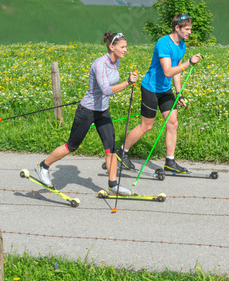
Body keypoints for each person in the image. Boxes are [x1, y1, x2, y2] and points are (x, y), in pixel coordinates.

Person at [35, 32, 138, 195]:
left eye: (126, 47)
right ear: (112, 47)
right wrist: (127, 82)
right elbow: (105, 90)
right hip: (87, 110)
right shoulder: (100, 64)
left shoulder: (115, 61)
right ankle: (43, 166)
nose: (126, 50)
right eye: (122, 47)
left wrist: (127, 80)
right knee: (72, 146)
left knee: (110, 148)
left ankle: (113, 185)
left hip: (102, 111)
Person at [117, 13, 201, 174]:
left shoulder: (181, 45)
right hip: (151, 88)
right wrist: (188, 63)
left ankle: (170, 162)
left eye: (190, 29)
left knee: (172, 123)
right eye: (187, 29)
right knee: (146, 126)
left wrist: (179, 93)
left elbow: (176, 72)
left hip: (165, 89)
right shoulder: (163, 43)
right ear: (177, 28)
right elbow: (168, 71)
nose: (190, 32)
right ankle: (122, 152)